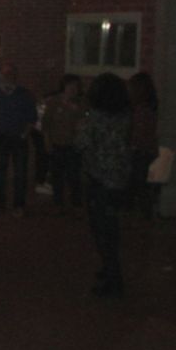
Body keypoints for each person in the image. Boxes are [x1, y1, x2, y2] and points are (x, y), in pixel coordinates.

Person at [75, 73, 131, 297]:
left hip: (100, 180)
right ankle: (109, 269)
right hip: (119, 179)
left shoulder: (95, 119)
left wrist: (81, 125)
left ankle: (113, 280)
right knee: (112, 229)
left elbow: (80, 144)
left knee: (102, 232)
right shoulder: (125, 116)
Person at [0, 62, 37, 216]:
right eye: (4, 74)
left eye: (10, 74)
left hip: (18, 137)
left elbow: (32, 117)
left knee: (20, 172)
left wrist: (24, 134)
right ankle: (0, 203)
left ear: (15, 76)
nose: (7, 77)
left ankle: (19, 205)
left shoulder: (24, 94)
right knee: (0, 171)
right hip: (1, 137)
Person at [42, 74, 84, 212]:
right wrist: (47, 141)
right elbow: (46, 124)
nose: (73, 89)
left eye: (76, 86)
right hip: (57, 144)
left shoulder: (80, 103)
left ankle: (76, 203)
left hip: (73, 145)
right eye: (70, 86)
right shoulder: (54, 102)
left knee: (74, 176)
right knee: (57, 176)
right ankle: (58, 203)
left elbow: (84, 124)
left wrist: (77, 112)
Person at [127, 71, 159, 219]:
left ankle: (142, 216)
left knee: (138, 185)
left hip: (140, 152)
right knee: (139, 185)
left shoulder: (142, 110)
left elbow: (139, 135)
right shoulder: (147, 108)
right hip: (144, 151)